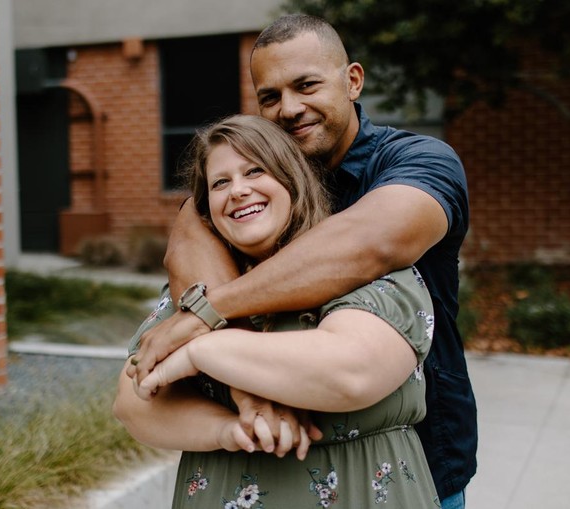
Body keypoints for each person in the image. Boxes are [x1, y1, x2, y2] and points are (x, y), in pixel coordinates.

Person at [128, 14, 477, 509]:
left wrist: (206, 323)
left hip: (408, 458)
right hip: (263, 464)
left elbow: (368, 243)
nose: (289, 108)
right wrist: (247, 389)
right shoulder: (256, 188)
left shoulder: (418, 160)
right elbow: (189, 230)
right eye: (270, 96)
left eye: (306, 85)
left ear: (352, 80)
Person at [115, 114, 440, 508]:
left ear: (292, 180)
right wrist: (232, 431)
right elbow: (133, 404)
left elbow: (351, 373)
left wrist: (203, 350)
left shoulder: (365, 269)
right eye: (221, 183)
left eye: (255, 171)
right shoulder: (194, 292)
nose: (238, 191)